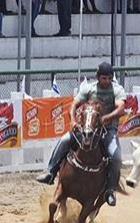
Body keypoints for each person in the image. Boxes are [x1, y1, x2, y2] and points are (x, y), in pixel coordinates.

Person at [36, 62, 126, 207]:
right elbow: (74, 105)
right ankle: (51, 171)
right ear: (98, 77)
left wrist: (107, 118)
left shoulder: (117, 89)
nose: (107, 81)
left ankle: (109, 190)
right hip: (86, 126)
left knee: (115, 157)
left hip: (107, 129)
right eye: (104, 78)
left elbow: (121, 107)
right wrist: (72, 120)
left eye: (109, 78)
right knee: (65, 140)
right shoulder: (89, 89)